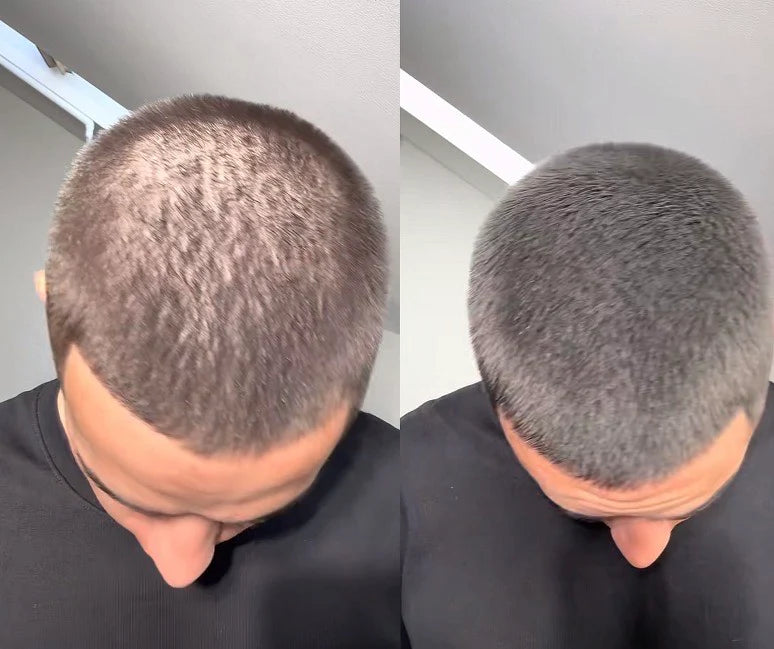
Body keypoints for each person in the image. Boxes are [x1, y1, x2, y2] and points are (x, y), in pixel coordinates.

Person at [0, 95, 398, 648]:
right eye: (127, 496)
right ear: (54, 313)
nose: (183, 569)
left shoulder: (414, 503)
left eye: (258, 513)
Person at [401, 143, 774, 648]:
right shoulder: (401, 480)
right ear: (498, 403)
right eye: (588, 514)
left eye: (687, 505)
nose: (642, 554)